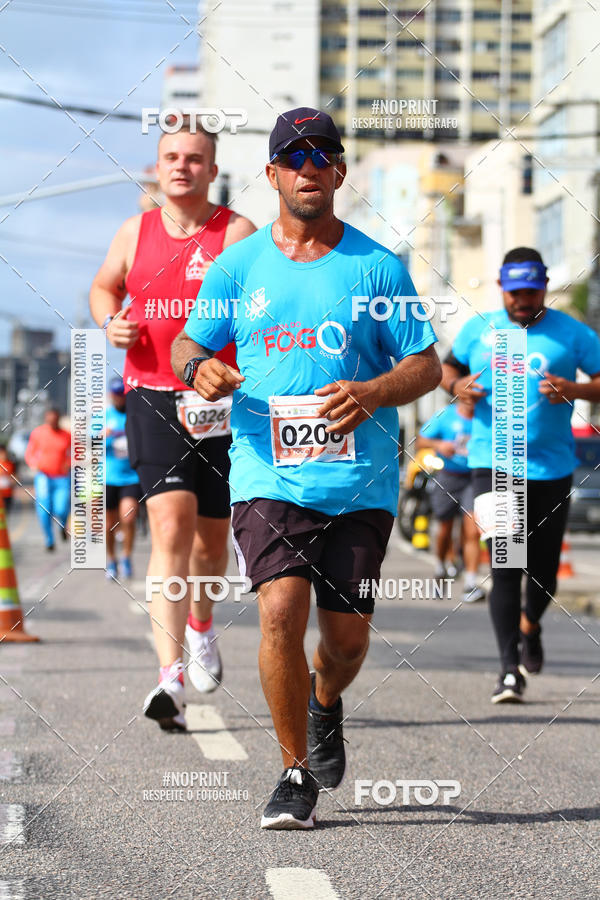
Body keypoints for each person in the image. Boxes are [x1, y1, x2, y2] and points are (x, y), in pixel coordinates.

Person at [172, 107, 441, 829]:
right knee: (281, 611)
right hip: (268, 473)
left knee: (346, 643)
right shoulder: (238, 266)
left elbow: (426, 366)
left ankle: (325, 703)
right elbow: (188, 344)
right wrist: (198, 368)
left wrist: (374, 391)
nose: (309, 167)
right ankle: (294, 771)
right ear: (272, 175)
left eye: (322, 155)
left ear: (340, 172)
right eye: (294, 157)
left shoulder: (377, 267)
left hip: (360, 482)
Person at [90, 122, 256, 724]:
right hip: (152, 395)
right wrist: (110, 322)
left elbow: (262, 309)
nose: (181, 166)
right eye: (170, 157)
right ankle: (170, 678)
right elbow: (103, 288)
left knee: (211, 542)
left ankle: (202, 626)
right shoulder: (133, 232)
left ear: (212, 170)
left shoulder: (237, 234)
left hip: (218, 399)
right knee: (169, 525)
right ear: (157, 168)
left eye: (193, 158)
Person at [442, 247, 600, 703]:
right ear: (501, 288)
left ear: (545, 287)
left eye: (531, 291)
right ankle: (509, 670)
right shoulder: (480, 329)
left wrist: (575, 388)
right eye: (514, 292)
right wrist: (457, 386)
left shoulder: (572, 332)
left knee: (544, 572)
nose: (522, 300)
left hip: (551, 467)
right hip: (494, 464)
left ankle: (530, 625)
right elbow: (447, 368)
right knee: (507, 563)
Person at [417, 401, 485, 602]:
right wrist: (438, 445)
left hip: (474, 477)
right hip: (448, 476)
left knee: (472, 530)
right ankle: (440, 568)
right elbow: (420, 440)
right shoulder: (444, 415)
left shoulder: (485, 415)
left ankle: (470, 584)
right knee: (444, 529)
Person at [105, 377, 141, 580]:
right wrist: (102, 436)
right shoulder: (104, 417)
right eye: (116, 394)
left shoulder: (135, 415)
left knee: (128, 517)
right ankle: (112, 560)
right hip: (108, 477)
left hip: (131, 476)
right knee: (108, 525)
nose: (119, 398)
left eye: (122, 394)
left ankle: (126, 556)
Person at [24, 409, 71, 551]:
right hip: (43, 477)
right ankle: (49, 540)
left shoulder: (66, 435)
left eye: (54, 420)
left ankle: (62, 525)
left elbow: (76, 453)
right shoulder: (38, 433)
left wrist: (69, 463)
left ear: (58, 420)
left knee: (61, 508)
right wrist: (33, 463)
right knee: (44, 510)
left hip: (61, 478)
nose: (52, 423)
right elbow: (29, 453)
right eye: (49, 420)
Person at [0, 445, 17, 514]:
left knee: (6, 512)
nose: (3, 455)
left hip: (8, 493)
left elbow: (15, 478)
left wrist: (11, 479)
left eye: (4, 453)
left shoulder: (10, 464)